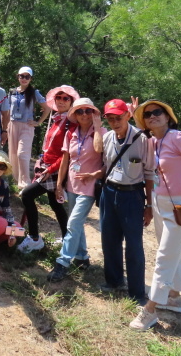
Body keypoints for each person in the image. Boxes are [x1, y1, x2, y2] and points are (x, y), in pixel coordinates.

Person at [129, 100, 181, 331]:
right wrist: (132, 114)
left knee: (164, 258)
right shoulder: (153, 141)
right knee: (169, 253)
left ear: (168, 117)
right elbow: (136, 136)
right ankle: (174, 298)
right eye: (147, 115)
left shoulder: (178, 137)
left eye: (158, 112)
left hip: (180, 207)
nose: (152, 116)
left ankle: (149, 311)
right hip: (160, 204)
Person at [99, 98, 155, 306]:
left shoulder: (143, 140)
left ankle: (137, 292)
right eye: (110, 118)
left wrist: (149, 206)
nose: (115, 122)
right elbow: (106, 165)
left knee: (134, 245)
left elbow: (149, 173)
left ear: (128, 115)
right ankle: (113, 281)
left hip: (132, 196)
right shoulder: (107, 138)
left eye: (119, 117)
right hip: (109, 191)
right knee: (109, 239)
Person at [46, 97, 106, 281]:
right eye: (80, 111)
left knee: (72, 224)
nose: (84, 115)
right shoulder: (71, 134)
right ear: (75, 115)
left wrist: (95, 174)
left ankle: (63, 262)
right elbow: (66, 160)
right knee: (76, 223)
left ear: (94, 113)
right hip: (72, 184)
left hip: (89, 187)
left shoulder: (102, 132)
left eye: (88, 111)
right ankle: (82, 257)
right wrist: (59, 184)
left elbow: (102, 153)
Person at [17, 85, 78, 253]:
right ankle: (67, 240)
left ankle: (35, 238)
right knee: (55, 204)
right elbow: (50, 147)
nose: (61, 101)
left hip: (54, 170)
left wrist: (50, 169)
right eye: (58, 98)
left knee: (27, 195)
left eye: (66, 98)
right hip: (47, 166)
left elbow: (67, 154)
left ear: (72, 102)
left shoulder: (70, 124)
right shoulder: (57, 119)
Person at [7, 67, 50, 190]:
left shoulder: (34, 92)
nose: (24, 79)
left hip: (27, 126)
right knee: (14, 153)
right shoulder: (12, 92)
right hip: (13, 124)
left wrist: (38, 122)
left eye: (27, 77)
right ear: (18, 77)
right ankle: (15, 180)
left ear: (31, 78)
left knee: (22, 154)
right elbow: (7, 109)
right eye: (22, 76)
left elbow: (47, 108)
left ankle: (25, 183)